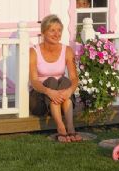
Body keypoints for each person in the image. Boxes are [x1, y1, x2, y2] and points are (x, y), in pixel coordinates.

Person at [29, 14, 81, 142]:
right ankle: (61, 128)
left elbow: (74, 78)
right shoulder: (33, 52)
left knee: (65, 81)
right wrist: (49, 91)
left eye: (59, 30)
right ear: (43, 32)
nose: (56, 34)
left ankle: (70, 126)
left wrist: (69, 91)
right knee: (52, 81)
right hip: (40, 99)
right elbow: (34, 81)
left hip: (62, 98)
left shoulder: (67, 50)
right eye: (52, 30)